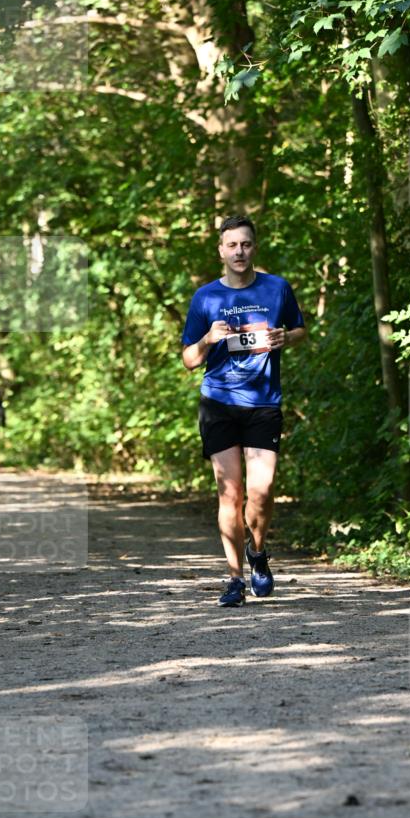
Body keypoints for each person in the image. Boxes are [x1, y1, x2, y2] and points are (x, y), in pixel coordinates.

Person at [182, 215, 307, 607]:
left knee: (262, 491)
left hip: (264, 403)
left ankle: (258, 550)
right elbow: (188, 360)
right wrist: (208, 338)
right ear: (221, 250)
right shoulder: (205, 298)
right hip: (219, 402)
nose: (239, 251)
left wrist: (285, 337)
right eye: (232, 245)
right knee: (230, 493)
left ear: (255, 247)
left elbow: (300, 329)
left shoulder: (276, 288)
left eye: (246, 244)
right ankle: (235, 579)